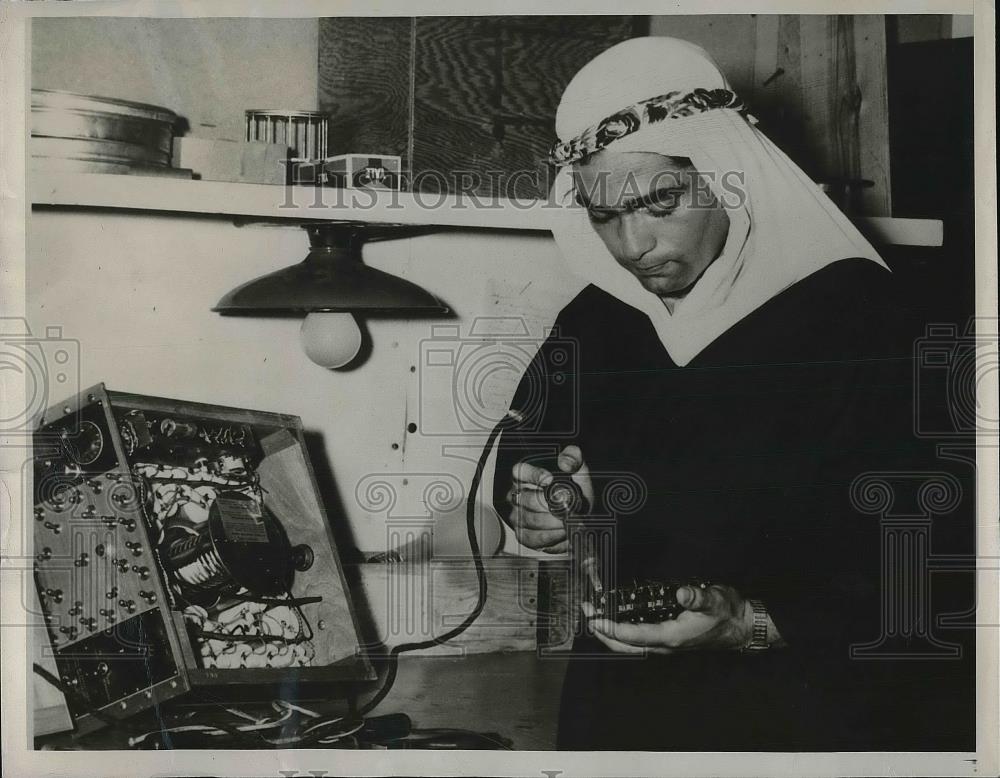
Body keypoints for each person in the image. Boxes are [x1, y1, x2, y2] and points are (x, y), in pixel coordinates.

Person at [492, 37, 974, 751]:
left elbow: (942, 554)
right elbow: (524, 458)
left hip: (806, 716)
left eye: (661, 202)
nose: (634, 246)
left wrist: (751, 621)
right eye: (604, 216)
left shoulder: (874, 323)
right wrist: (536, 510)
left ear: (729, 176)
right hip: (619, 712)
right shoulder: (597, 322)